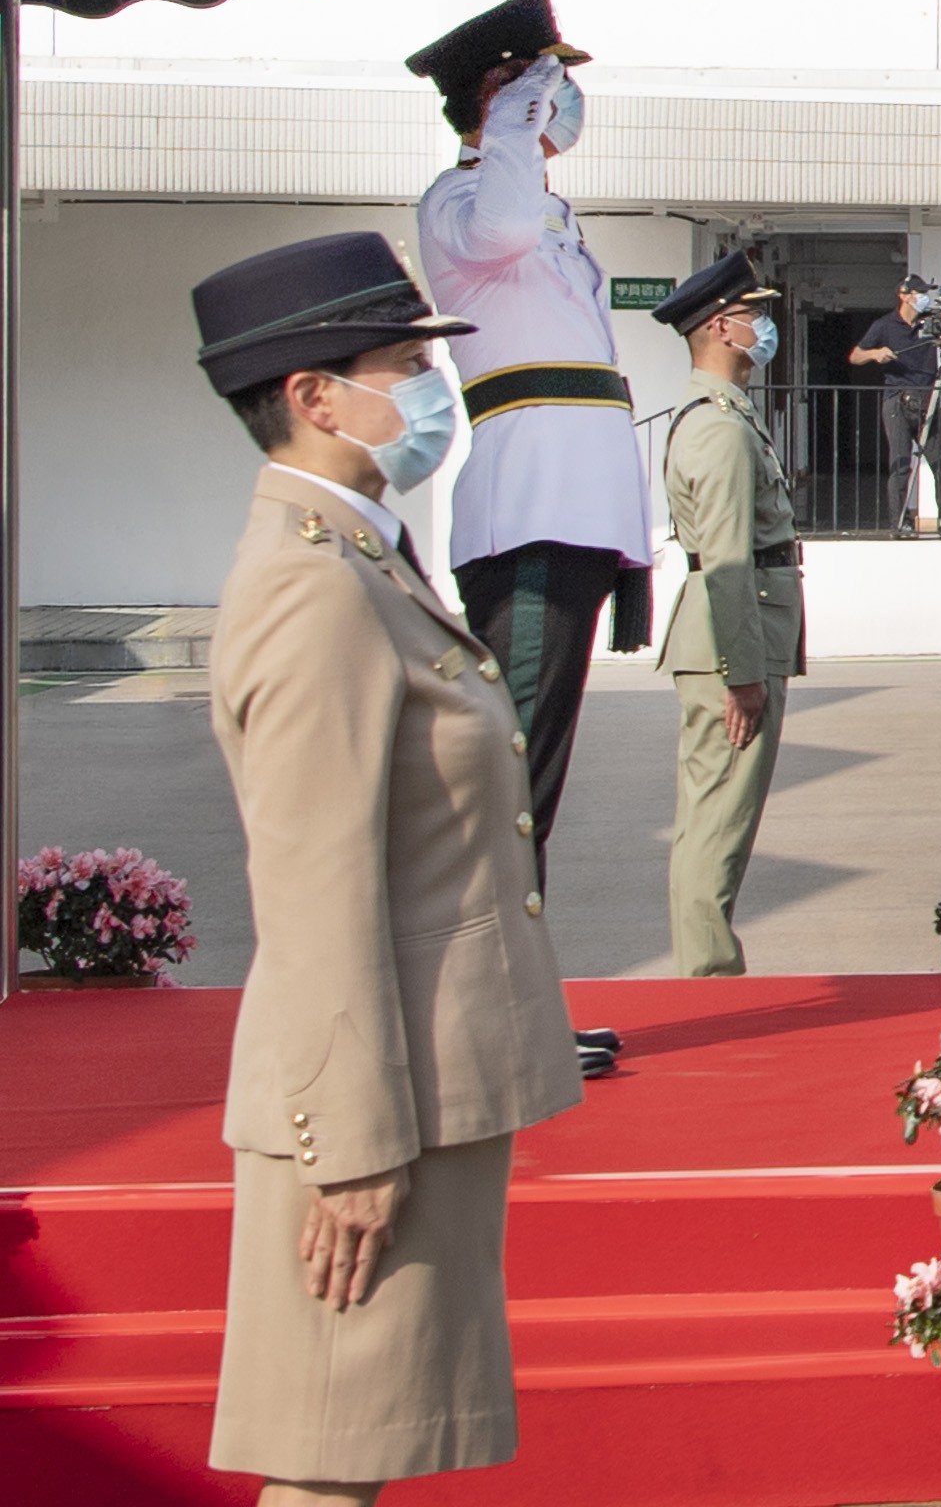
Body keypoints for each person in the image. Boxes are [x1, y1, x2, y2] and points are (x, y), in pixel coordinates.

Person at [190, 231, 586, 1499]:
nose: (432, 390)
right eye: (406, 362)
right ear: (313, 397)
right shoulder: (312, 588)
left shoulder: (362, 553)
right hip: (375, 1107)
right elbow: (314, 893)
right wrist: (351, 1146)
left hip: (427, 1086)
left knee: (359, 1444)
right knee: (327, 1458)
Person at [403, 0, 646, 1024]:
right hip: (532, 517)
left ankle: (512, 999)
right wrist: (510, 116)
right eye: (550, 82)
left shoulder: (544, 212)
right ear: (502, 93)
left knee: (532, 774)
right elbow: (501, 222)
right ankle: (487, 1009)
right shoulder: (463, 203)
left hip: (581, 514)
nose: (567, 101)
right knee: (510, 781)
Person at [656, 252, 803, 980]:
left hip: (737, 638)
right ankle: (706, 979)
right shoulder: (716, 428)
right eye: (755, 317)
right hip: (730, 648)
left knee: (716, 821)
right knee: (718, 825)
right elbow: (727, 562)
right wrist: (741, 673)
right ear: (720, 327)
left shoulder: (726, 415)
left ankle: (706, 968)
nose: (764, 328)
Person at [848, 274, 941, 536]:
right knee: (900, 463)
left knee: (939, 462)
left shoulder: (929, 323)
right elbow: (855, 356)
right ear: (904, 295)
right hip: (897, 399)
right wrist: (876, 353)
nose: (923, 298)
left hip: (928, 398)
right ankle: (900, 523)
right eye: (919, 293)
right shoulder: (884, 325)